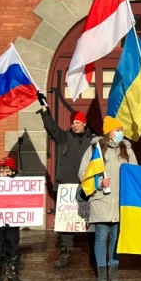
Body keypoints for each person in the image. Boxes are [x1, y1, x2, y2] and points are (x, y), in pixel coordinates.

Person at [79, 116, 137, 281]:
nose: (121, 133)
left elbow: (134, 172)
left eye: (121, 130)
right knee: (101, 237)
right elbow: (83, 173)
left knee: (116, 239)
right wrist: (98, 183)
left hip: (120, 201)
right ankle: (101, 274)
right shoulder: (94, 149)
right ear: (108, 132)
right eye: (117, 130)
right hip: (101, 200)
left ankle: (113, 271)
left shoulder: (127, 149)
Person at [38, 93, 95, 268]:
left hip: (86, 184)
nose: (74, 125)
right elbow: (52, 128)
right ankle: (66, 251)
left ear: (84, 123)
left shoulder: (94, 140)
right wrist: (45, 111)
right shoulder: (65, 137)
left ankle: (94, 252)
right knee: (66, 220)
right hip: (67, 185)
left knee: (91, 218)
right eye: (73, 123)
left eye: (77, 122)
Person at [0, 157, 22, 281]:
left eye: (6, 171)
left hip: (12, 221)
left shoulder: (20, 186)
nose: (3, 174)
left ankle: (12, 272)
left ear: (13, 172)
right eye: (0, 171)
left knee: (13, 245)